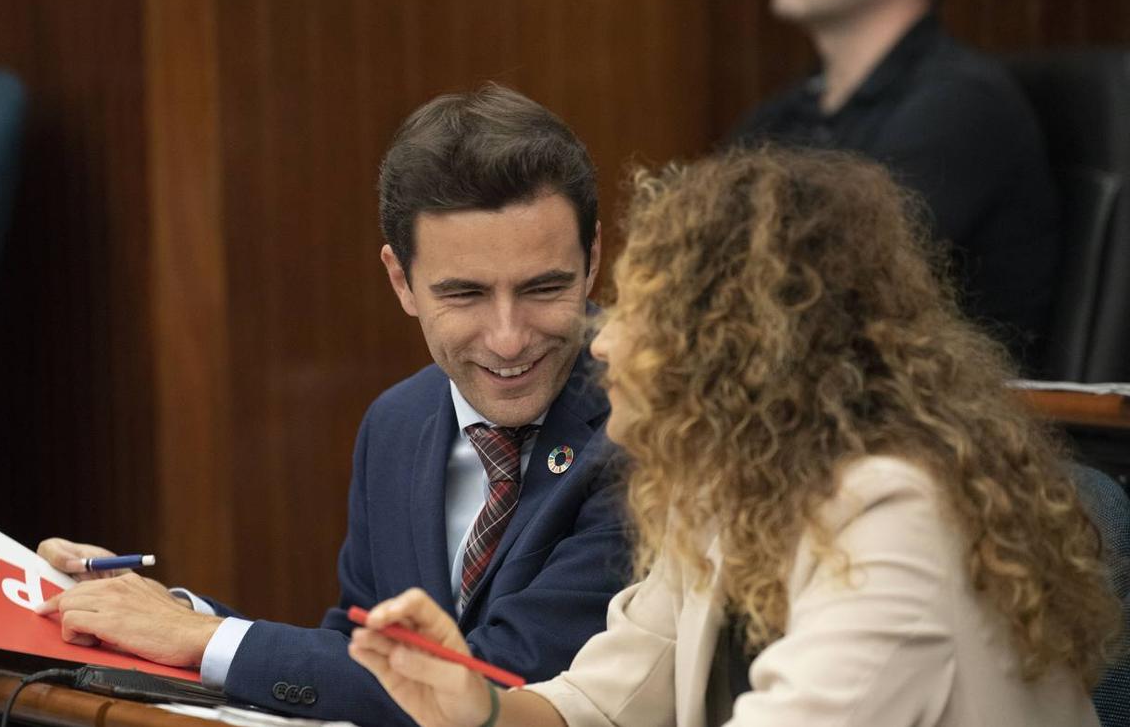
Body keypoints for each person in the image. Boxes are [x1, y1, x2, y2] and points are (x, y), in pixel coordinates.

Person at [348, 146, 1122, 727]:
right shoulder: (726, 493)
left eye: (641, 309)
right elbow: (596, 707)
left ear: (737, 347)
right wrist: (475, 704)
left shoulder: (896, 515)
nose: (605, 341)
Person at [35, 84, 630, 724]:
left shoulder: (653, 425)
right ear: (401, 280)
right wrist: (159, 616)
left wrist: (204, 641)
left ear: (592, 259)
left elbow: (496, 679)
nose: (509, 336)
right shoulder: (396, 424)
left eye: (544, 287)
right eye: (465, 295)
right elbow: (356, 658)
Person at [736, 0, 1059, 372]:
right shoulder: (786, 114)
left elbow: (830, 286)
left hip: (914, 414)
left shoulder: (963, 105)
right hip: (794, 391)